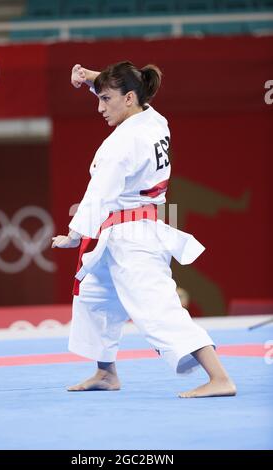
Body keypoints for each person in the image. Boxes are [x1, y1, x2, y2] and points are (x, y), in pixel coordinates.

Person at [52, 62, 236, 398]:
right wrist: (92, 78)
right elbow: (133, 94)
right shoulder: (153, 120)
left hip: (132, 237)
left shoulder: (122, 143)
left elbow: (99, 194)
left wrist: (75, 234)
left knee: (157, 309)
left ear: (129, 98)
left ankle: (219, 377)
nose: (99, 107)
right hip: (128, 230)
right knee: (95, 298)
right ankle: (105, 372)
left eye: (106, 99)